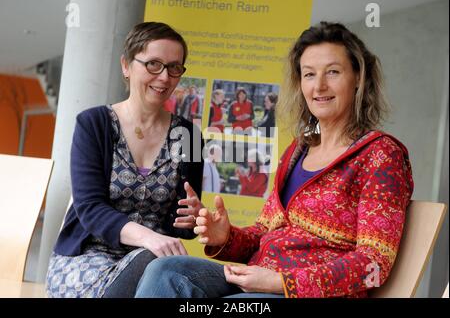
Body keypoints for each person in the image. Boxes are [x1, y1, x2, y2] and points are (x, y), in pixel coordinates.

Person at [134, 21, 414, 298]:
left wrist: (283, 282)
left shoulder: (380, 155)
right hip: (262, 280)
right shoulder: (298, 150)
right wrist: (225, 236)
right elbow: (264, 233)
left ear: (358, 80)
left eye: (333, 72)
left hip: (306, 293)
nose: (319, 86)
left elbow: (374, 262)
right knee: (166, 271)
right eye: (308, 74)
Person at [45, 22, 204, 298]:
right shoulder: (94, 123)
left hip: (151, 262)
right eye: (153, 64)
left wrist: (192, 218)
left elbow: (182, 227)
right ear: (126, 66)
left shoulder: (188, 135)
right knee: (152, 268)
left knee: (168, 273)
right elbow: (90, 208)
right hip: (88, 259)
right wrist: (148, 238)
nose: (164, 77)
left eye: (174, 68)